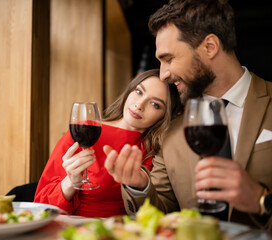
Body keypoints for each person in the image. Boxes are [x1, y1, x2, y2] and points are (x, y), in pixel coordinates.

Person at [103, 0, 272, 231]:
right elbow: (162, 211)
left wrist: (261, 201)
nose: (163, 75)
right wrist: (139, 185)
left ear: (210, 46)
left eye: (168, 59)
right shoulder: (172, 130)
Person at [34, 69, 182, 218]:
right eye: (138, 92)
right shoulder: (84, 130)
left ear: (165, 115)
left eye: (155, 105)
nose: (139, 105)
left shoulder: (158, 150)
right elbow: (41, 206)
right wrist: (70, 182)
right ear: (130, 90)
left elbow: (159, 212)